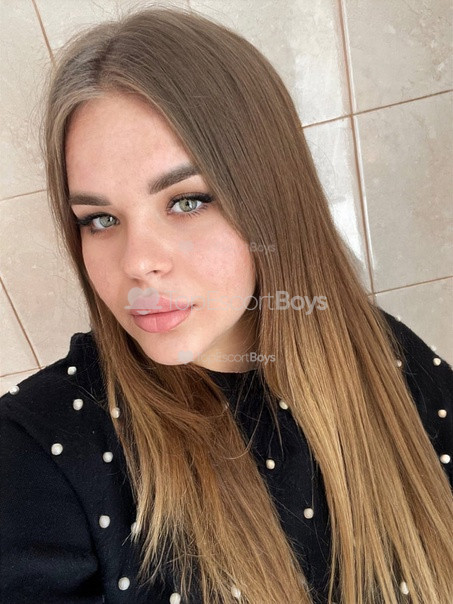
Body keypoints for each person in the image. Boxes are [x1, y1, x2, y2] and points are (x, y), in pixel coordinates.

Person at [1, 6, 452, 604]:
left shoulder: (384, 356)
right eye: (100, 219)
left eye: (187, 201)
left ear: (272, 198)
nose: (138, 262)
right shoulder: (43, 448)